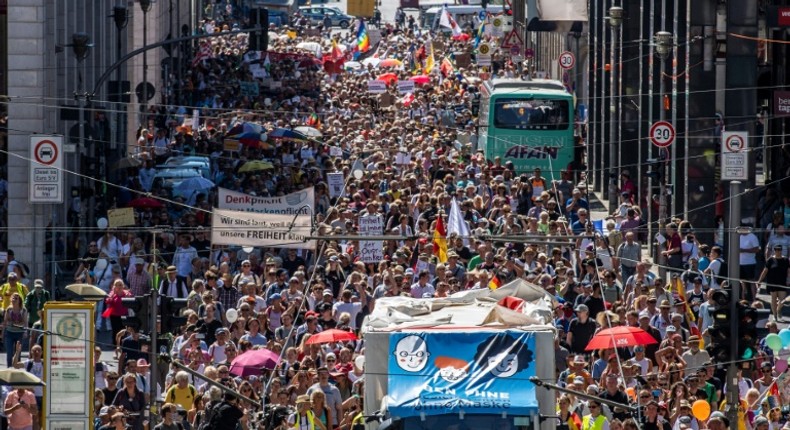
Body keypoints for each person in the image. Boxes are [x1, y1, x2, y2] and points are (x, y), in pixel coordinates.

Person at [757, 244, 790, 321]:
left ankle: (778, 310)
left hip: (782, 282)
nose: (778, 251)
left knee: (782, 300)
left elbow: (788, 271)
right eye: (776, 250)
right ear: (774, 250)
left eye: (779, 250)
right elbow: (765, 271)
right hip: (772, 282)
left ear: (781, 250)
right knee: (773, 299)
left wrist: (788, 279)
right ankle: (775, 315)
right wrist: (760, 280)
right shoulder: (770, 260)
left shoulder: (786, 260)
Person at [2, 293, 26, 367]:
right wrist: (2, 333)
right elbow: (5, 322)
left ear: (19, 301)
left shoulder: (23, 310)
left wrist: (25, 332)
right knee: (9, 354)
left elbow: (24, 322)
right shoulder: (9, 310)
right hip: (9, 333)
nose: (14, 300)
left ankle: (17, 370)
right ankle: (9, 369)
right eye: (13, 298)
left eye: (16, 298)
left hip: (19, 333)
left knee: (18, 353)